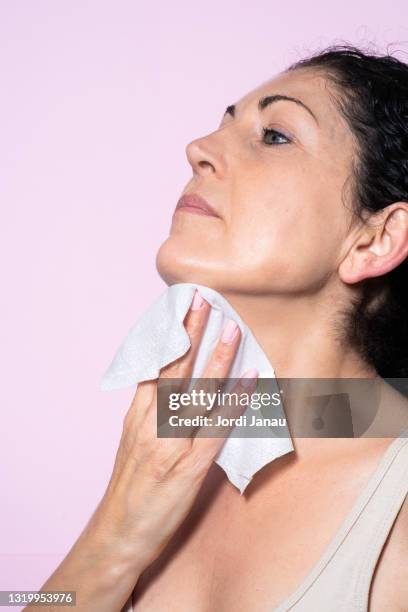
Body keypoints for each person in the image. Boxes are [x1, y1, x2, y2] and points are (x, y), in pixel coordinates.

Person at [31, 43, 408, 611]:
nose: (198, 150)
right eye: (221, 126)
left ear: (375, 239)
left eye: (275, 135)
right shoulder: (164, 457)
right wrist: (113, 536)